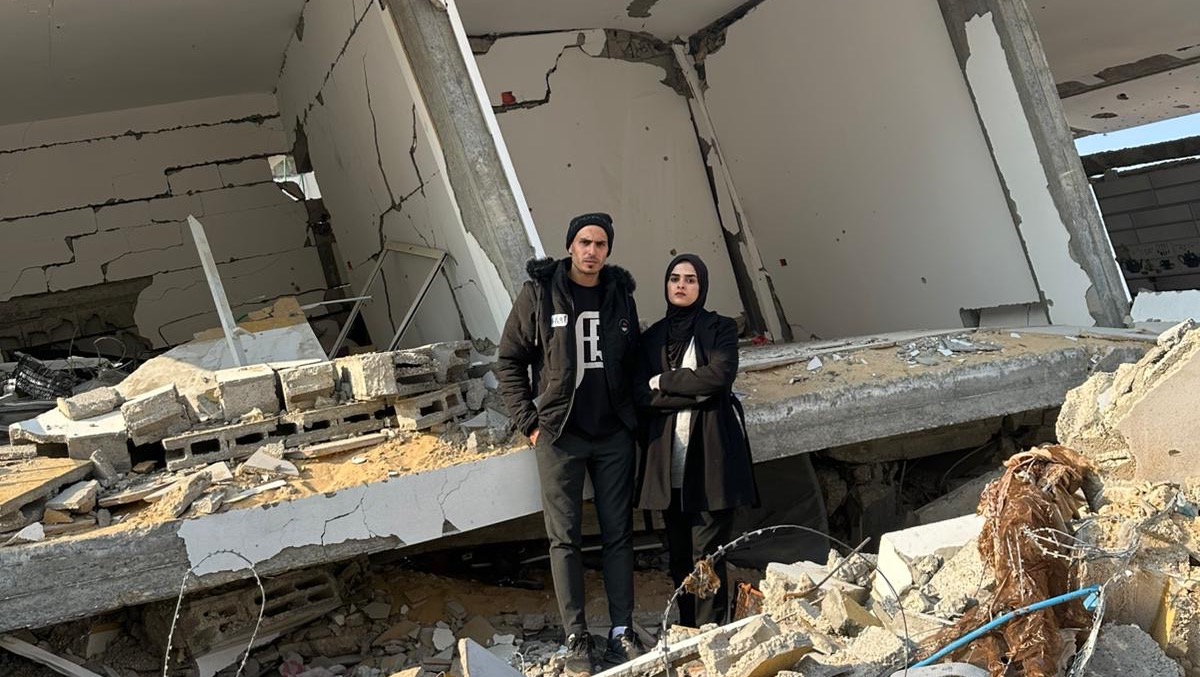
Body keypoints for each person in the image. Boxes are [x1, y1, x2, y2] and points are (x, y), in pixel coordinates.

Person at [496, 213, 643, 676]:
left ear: (608, 250)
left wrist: (633, 420)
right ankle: (577, 635)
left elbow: (634, 360)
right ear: (570, 246)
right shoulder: (541, 293)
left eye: (600, 244)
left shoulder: (619, 294)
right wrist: (529, 423)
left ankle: (622, 630)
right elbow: (509, 360)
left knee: (619, 534)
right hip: (560, 436)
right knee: (565, 539)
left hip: (613, 435)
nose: (591, 251)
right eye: (584, 242)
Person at [635, 253, 759, 628]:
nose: (681, 285)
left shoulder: (719, 328)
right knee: (679, 554)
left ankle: (709, 629)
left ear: (701, 286)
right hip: (667, 464)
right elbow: (641, 396)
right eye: (675, 278)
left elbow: (719, 377)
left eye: (690, 279)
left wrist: (664, 381)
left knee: (707, 554)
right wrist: (694, 392)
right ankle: (687, 628)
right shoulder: (652, 338)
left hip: (710, 462)